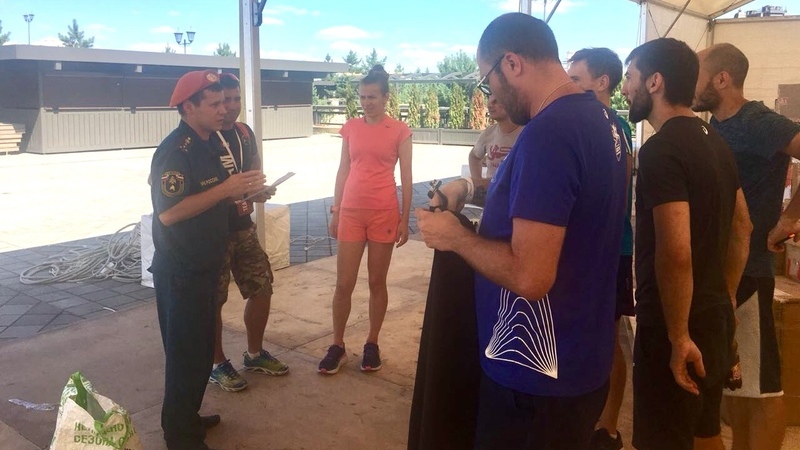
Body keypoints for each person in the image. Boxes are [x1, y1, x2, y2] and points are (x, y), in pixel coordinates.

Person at [417, 13, 628, 449]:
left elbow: (530, 276)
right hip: (581, 362)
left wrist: (455, 237)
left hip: (535, 382)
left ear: (511, 64)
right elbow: (552, 205)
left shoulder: (548, 134)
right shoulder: (603, 120)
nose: (490, 93)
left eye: (486, 81)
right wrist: (469, 186)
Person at [621, 38, 751, 450]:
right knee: (705, 431)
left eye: (630, 76)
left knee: (664, 439)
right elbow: (743, 227)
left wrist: (678, 336)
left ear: (654, 82)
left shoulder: (661, 150)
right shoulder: (716, 141)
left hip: (675, 324)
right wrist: (726, 297)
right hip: (712, 315)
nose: (625, 88)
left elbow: (675, 252)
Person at [149, 69, 266, 450]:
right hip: (181, 271)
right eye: (213, 104)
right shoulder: (175, 151)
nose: (223, 110)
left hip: (205, 265)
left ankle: (188, 417)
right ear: (188, 107)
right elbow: (169, 213)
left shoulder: (210, 144)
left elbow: (217, 197)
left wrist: (245, 193)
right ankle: (180, 436)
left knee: (199, 354)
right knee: (184, 355)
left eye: (224, 102)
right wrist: (225, 189)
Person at [693, 42, 800, 450]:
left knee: (762, 386)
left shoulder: (757, 120)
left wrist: (789, 218)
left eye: (697, 74)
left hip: (751, 269)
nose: (689, 82)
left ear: (722, 79)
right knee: (737, 383)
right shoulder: (714, 126)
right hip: (725, 271)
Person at [318, 64, 413, 374]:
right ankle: (337, 344)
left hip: (384, 212)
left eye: (372, 96)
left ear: (385, 97)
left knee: (376, 281)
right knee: (343, 283)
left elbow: (407, 177)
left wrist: (405, 219)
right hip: (351, 212)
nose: (366, 102)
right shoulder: (351, 128)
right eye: (362, 97)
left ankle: (372, 343)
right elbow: (343, 169)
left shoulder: (399, 130)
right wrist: (336, 209)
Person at [567, 47, 633, 450]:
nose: (569, 85)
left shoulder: (615, 128)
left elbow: (618, 198)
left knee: (608, 339)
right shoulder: (589, 123)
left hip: (611, 249)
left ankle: (608, 427)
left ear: (602, 82)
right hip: (592, 249)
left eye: (576, 79)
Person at [206, 73, 289, 393]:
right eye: (223, 100)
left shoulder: (244, 133)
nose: (230, 107)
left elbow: (253, 175)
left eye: (236, 99)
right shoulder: (203, 137)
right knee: (214, 300)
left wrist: (259, 192)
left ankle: (254, 354)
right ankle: (217, 364)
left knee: (262, 287)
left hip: (243, 228)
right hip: (214, 232)